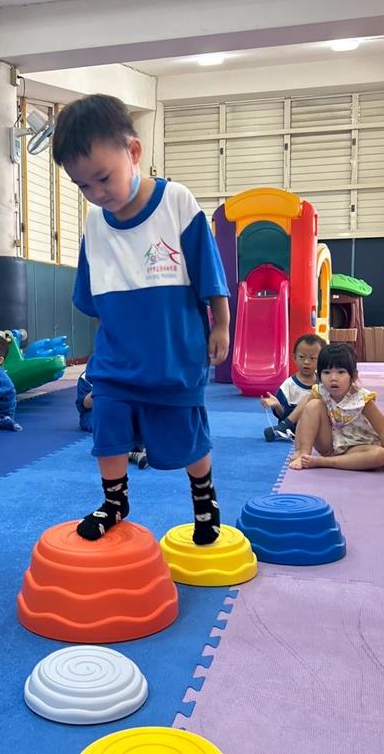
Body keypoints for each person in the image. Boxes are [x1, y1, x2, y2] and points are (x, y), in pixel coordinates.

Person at [52, 93, 230, 545]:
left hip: (175, 356)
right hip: (118, 360)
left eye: (103, 177)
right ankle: (114, 501)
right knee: (107, 427)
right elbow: (92, 298)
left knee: (187, 437)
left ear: (133, 152)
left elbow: (210, 272)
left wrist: (222, 324)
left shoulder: (177, 202)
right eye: (82, 186)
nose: (97, 193)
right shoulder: (96, 224)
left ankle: (204, 498)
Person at [289, 343, 384, 471]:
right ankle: (305, 456)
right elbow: (304, 420)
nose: (333, 378)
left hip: (356, 448)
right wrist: (299, 450)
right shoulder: (320, 392)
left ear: (353, 376)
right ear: (319, 375)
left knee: (381, 455)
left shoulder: (362, 399)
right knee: (312, 405)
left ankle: (324, 462)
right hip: (329, 446)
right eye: (326, 372)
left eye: (341, 372)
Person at [259, 333, 325, 442]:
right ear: (294, 357)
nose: (306, 362)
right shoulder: (288, 385)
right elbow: (282, 415)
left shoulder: (324, 381)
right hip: (295, 427)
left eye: (313, 358)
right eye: (302, 357)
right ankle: (285, 429)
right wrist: (277, 405)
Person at [77, 370, 148, 469]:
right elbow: (85, 404)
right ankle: (132, 453)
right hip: (93, 412)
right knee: (109, 424)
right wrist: (101, 388)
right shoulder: (86, 376)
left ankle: (139, 450)